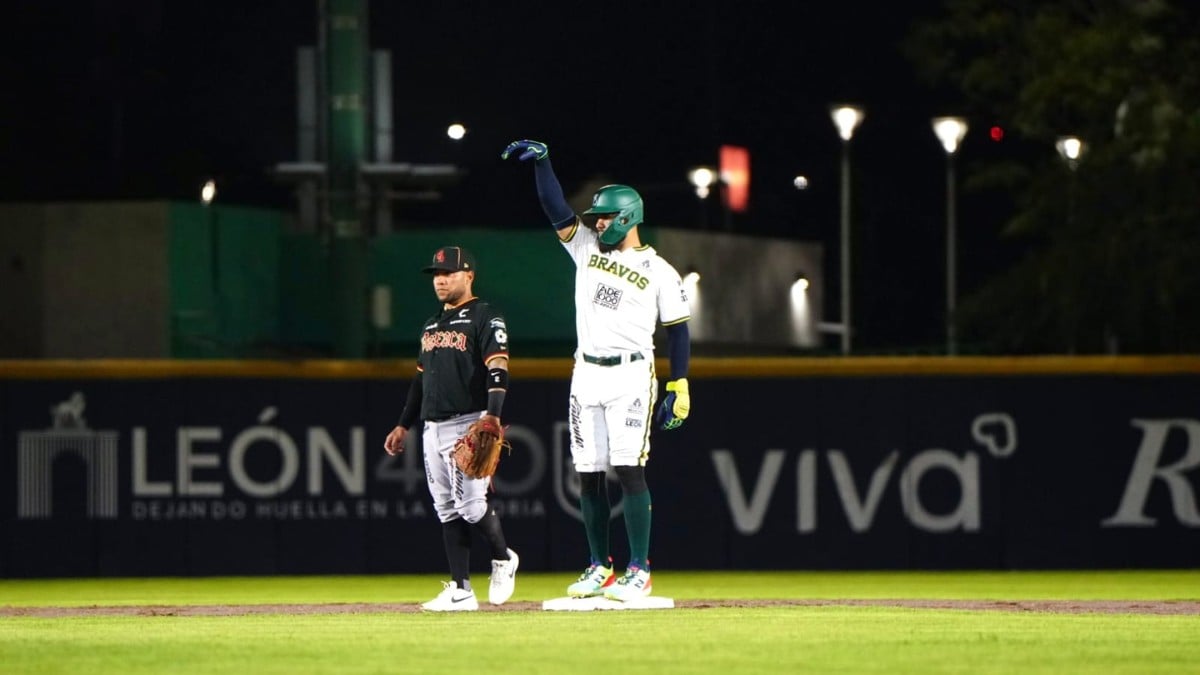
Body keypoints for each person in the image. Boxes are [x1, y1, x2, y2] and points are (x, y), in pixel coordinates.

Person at [501, 139, 691, 602]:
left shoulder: (660, 270)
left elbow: (679, 332)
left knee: (629, 470)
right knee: (587, 474)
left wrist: (679, 383)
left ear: (627, 216)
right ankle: (598, 566)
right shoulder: (586, 248)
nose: (597, 222)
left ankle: (639, 569)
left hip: (631, 374)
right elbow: (554, 208)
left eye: (604, 216)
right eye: (597, 217)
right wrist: (544, 163)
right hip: (585, 372)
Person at [383, 245, 519, 612]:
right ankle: (461, 589)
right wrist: (403, 424)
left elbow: (498, 366)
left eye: (449, 273)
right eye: (437, 275)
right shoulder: (431, 324)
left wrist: (491, 415)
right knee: (446, 509)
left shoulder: (485, 316)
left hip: (468, 422)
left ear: (469, 274)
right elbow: (419, 380)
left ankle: (504, 557)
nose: (441, 280)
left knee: (473, 507)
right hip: (432, 426)